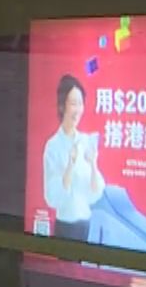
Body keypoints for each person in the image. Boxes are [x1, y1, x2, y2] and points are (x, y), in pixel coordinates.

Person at [43, 74, 105, 240]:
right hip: (65, 227)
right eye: (73, 103)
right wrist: (70, 165)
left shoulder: (85, 140)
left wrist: (93, 164)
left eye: (80, 103)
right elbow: (52, 198)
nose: (77, 110)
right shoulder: (53, 146)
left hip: (86, 224)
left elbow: (95, 192)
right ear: (62, 106)